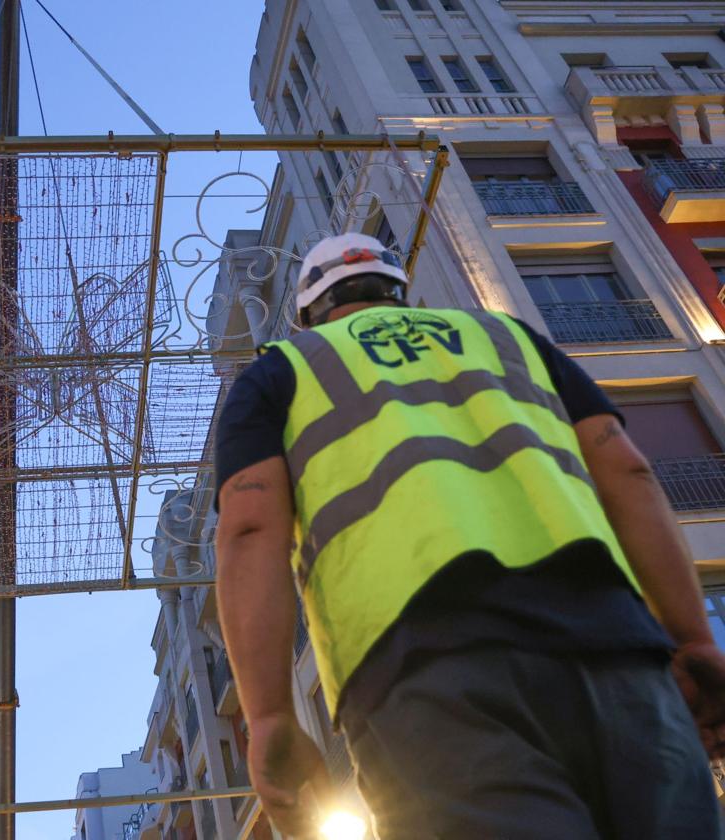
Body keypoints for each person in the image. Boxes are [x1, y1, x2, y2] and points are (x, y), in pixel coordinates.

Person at [213, 232, 725, 839]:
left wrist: (270, 714)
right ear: (401, 293)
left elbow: (250, 529)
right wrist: (692, 636)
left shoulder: (281, 373)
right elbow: (630, 473)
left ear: (309, 315)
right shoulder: (511, 341)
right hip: (617, 655)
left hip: (427, 676)